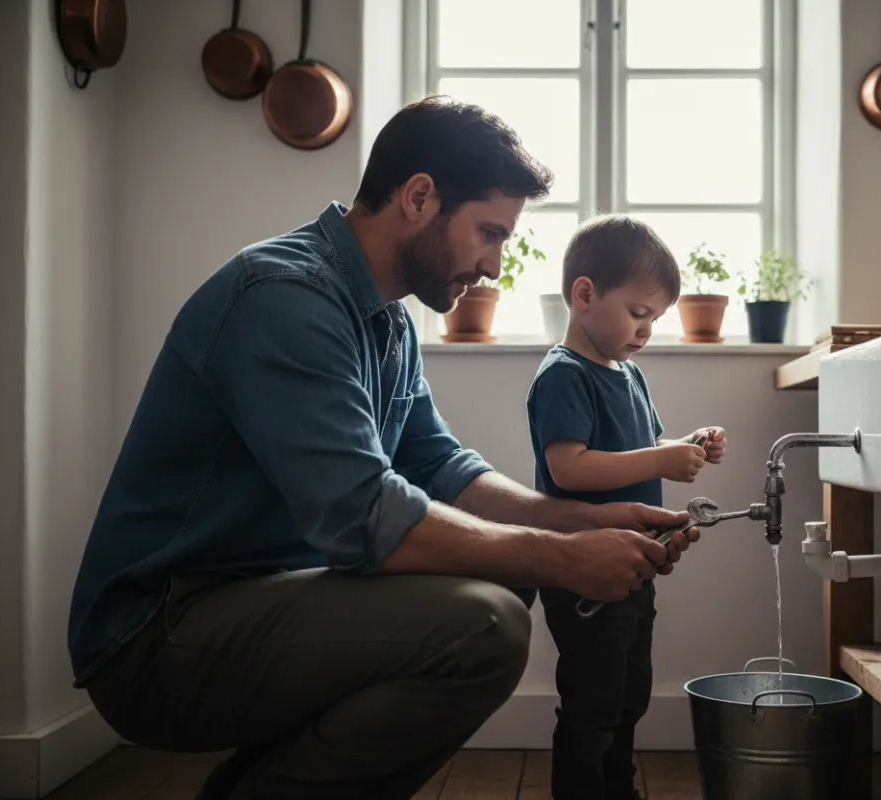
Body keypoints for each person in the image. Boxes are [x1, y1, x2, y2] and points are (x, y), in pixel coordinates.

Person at [65, 97, 702, 800]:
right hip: (158, 636)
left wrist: (586, 520)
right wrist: (560, 557)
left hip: (256, 602)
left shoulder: (388, 324)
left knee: (499, 579)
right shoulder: (284, 296)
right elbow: (363, 514)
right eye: (488, 233)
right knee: (485, 624)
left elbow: (440, 467)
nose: (494, 265)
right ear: (419, 197)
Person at [524, 215, 728, 800]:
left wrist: (686, 445)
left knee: (630, 691)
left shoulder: (629, 374)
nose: (646, 331)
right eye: (638, 313)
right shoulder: (563, 376)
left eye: (655, 320)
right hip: (584, 566)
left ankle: (618, 788)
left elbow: (645, 447)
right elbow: (571, 467)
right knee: (592, 700)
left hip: (636, 562)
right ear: (584, 294)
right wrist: (659, 464)